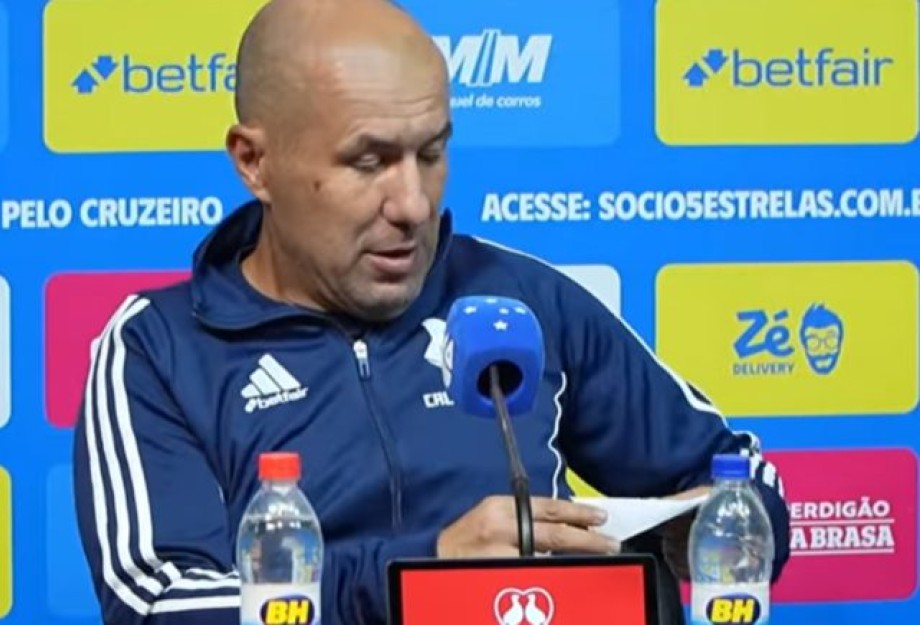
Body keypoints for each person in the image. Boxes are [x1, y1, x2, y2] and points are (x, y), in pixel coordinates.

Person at [71, 0, 791, 623]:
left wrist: (716, 531)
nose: (413, 205)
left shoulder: (518, 299)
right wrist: (423, 572)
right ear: (254, 162)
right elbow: (157, 605)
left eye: (431, 154)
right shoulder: (159, 350)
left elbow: (738, 481)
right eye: (368, 162)